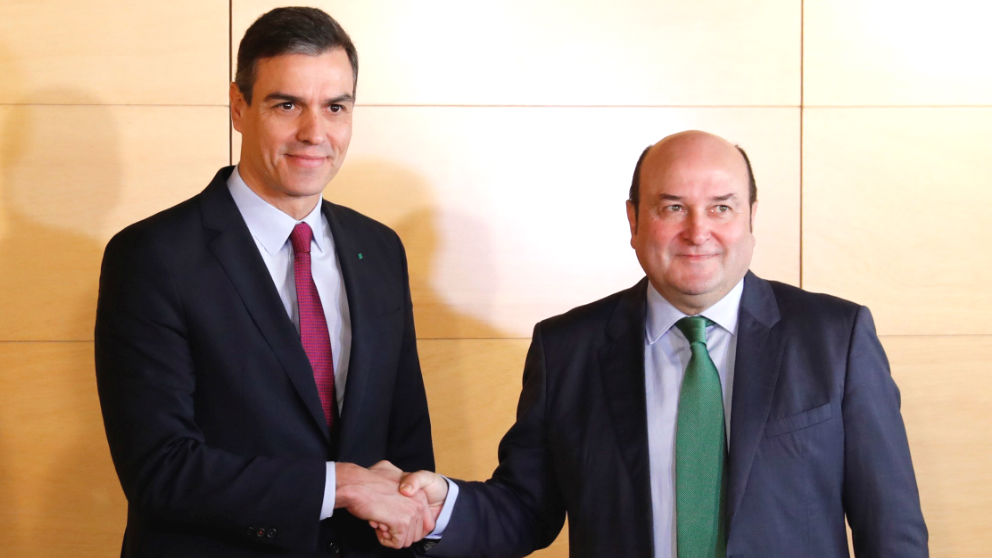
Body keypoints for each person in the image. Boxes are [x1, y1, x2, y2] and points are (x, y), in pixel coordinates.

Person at [389, 130, 928, 557]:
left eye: (721, 207)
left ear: (751, 218)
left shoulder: (836, 338)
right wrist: (445, 504)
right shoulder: (567, 350)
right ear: (634, 218)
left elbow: (892, 530)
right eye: (673, 207)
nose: (698, 231)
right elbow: (525, 509)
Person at [95, 7, 436, 556]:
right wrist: (340, 485)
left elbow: (407, 436)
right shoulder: (151, 257)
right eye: (287, 105)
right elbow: (160, 468)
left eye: (335, 107)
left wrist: (412, 519)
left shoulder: (380, 248)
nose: (314, 132)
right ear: (238, 107)